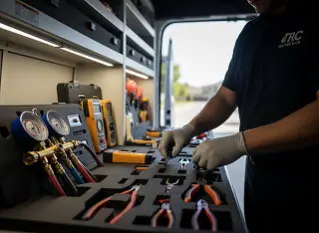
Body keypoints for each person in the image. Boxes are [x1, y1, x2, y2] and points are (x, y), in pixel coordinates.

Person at [158, 0, 320, 232]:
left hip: (306, 182)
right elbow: (226, 97)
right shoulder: (249, 34)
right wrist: (191, 128)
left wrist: (239, 143)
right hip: (257, 177)